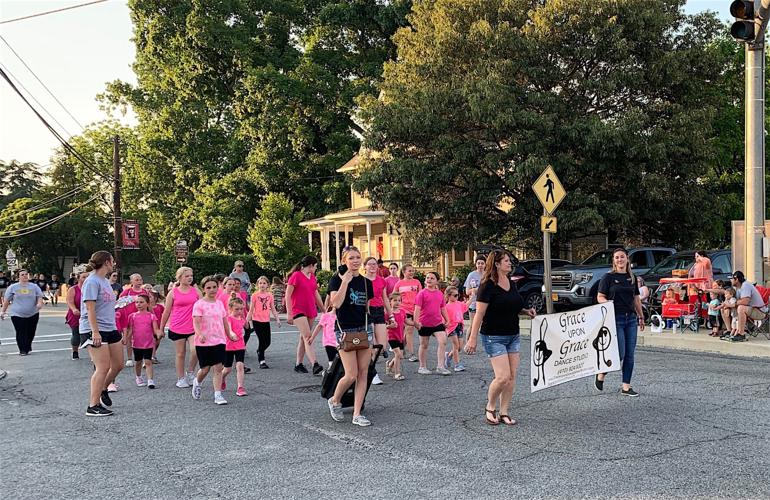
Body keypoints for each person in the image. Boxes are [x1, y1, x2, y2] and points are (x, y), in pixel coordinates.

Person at [465, 249, 535, 426]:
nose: (510, 263)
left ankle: (504, 411)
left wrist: (526, 311)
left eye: (509, 261)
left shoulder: (511, 282)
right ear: (496, 264)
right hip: (493, 336)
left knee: (511, 376)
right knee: (502, 376)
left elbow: (512, 304)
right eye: (506, 261)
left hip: (513, 335)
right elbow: (479, 314)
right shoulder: (487, 285)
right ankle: (490, 406)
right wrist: (472, 339)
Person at [326, 246, 375, 427]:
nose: (355, 261)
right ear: (344, 261)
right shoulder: (336, 280)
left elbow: (367, 308)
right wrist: (345, 282)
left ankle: (357, 413)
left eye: (357, 257)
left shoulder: (365, 283)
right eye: (351, 258)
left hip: (364, 329)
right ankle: (334, 400)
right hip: (344, 330)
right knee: (351, 374)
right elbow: (336, 303)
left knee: (364, 373)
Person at [595, 247, 644, 397]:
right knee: (620, 353)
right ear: (614, 260)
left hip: (630, 319)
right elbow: (600, 296)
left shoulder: (632, 278)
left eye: (622, 257)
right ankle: (601, 373)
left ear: (627, 258)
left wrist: (641, 316)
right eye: (617, 257)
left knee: (630, 354)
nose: (620, 260)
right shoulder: (608, 277)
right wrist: (606, 302)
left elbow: (636, 298)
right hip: (615, 318)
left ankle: (626, 387)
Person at [79, 252, 123, 417]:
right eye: (112, 260)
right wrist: (95, 332)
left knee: (118, 365)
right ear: (106, 262)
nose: (114, 263)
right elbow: (90, 308)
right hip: (94, 329)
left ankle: (103, 388)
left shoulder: (105, 281)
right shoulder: (91, 281)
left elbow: (106, 305)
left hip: (110, 327)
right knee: (102, 367)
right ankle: (93, 405)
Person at [192, 275, 237, 405]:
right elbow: (196, 322)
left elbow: (225, 321)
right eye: (209, 287)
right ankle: (197, 382)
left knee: (218, 368)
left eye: (214, 287)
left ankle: (218, 395)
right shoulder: (199, 304)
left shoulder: (219, 304)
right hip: (204, 341)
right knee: (205, 369)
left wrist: (229, 334)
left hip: (219, 340)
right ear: (204, 289)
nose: (212, 290)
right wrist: (199, 334)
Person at [160, 266, 201, 388]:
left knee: (196, 350)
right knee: (180, 353)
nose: (189, 278)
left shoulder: (196, 291)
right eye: (187, 276)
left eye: (191, 276)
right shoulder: (173, 292)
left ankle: (190, 372)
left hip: (193, 326)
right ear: (180, 278)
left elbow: (204, 305)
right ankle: (181, 378)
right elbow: (166, 312)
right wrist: (161, 328)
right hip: (177, 326)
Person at [286, 255, 325, 375]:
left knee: (303, 338)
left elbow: (315, 293)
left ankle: (299, 364)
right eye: (316, 266)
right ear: (311, 265)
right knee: (308, 336)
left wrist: (323, 309)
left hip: (310, 309)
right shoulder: (296, 276)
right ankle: (315, 364)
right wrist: (289, 313)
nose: (316, 268)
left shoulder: (312, 277)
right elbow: (288, 295)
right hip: (298, 309)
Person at [413, 271, 450, 375]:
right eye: (427, 278)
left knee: (443, 341)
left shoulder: (440, 294)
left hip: (437, 322)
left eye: (432, 278)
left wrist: (447, 319)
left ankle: (440, 366)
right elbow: (417, 309)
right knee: (424, 345)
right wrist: (416, 322)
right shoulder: (422, 293)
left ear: (437, 281)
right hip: (424, 323)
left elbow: (443, 308)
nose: (429, 279)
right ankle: (422, 367)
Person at [1, 269, 44, 355]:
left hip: (33, 313)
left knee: (31, 331)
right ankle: (22, 349)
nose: (24, 276)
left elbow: (39, 296)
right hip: (17, 314)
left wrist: (39, 304)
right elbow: (6, 300)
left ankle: (27, 346)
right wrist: (3, 311)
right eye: (22, 275)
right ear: (18, 277)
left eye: (26, 274)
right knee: (20, 331)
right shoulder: (13, 287)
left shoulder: (34, 286)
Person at [364, 257, 392, 385]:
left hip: (379, 311)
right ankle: (373, 373)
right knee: (372, 346)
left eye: (374, 264)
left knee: (381, 346)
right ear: (364, 267)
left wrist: (391, 315)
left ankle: (369, 369)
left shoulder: (381, 281)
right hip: (367, 312)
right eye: (369, 264)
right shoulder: (362, 280)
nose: (372, 266)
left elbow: (385, 298)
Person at [125, 293, 160, 389]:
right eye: (136, 302)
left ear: (147, 304)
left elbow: (155, 328)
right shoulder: (132, 316)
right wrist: (126, 339)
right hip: (136, 344)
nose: (138, 304)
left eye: (141, 302)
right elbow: (130, 329)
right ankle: (138, 376)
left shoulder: (151, 316)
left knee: (148, 361)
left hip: (148, 343)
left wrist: (159, 333)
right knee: (138, 362)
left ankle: (150, 380)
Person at [247, 276, 281, 369]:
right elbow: (251, 309)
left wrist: (277, 319)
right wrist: (247, 321)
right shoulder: (254, 295)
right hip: (256, 320)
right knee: (262, 341)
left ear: (267, 285)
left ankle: (259, 351)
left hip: (266, 321)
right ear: (257, 285)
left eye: (264, 283)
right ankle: (262, 360)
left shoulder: (270, 295)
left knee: (268, 342)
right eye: (260, 283)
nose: (262, 285)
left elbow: (273, 308)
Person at [726, 271, 768, 342]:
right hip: (752, 309)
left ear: (736, 279)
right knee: (725, 309)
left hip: (760, 312)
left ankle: (741, 334)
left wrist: (732, 304)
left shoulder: (745, 285)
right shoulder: (738, 288)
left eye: (732, 279)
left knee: (741, 308)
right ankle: (729, 331)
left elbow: (745, 301)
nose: (730, 280)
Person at [116, 273, 145, 369]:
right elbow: (119, 303)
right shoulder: (127, 292)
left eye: (140, 279)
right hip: (128, 317)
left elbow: (149, 304)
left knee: (142, 337)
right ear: (131, 281)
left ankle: (144, 357)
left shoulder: (144, 292)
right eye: (136, 280)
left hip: (142, 317)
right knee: (128, 337)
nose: (139, 282)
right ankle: (129, 358)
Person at [395, 265, 422, 362]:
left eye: (413, 271)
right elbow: (394, 296)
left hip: (415, 309)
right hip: (404, 309)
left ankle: (401, 348)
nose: (411, 272)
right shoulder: (399, 284)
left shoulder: (417, 282)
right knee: (409, 330)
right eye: (409, 271)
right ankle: (412, 354)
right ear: (404, 272)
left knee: (408, 332)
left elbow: (421, 295)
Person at [222, 296, 248, 397]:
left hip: (240, 345)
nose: (239, 311)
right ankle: (222, 378)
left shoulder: (242, 318)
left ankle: (240, 387)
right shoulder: (228, 318)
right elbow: (229, 328)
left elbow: (246, 327)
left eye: (241, 309)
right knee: (227, 369)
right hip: (229, 346)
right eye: (237, 309)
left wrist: (246, 319)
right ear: (230, 309)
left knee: (240, 366)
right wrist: (232, 334)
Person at [444, 285, 468, 372]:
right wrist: (445, 324)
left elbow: (465, 306)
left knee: (460, 347)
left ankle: (449, 356)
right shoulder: (446, 307)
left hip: (459, 326)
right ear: (448, 296)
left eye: (457, 295)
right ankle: (457, 364)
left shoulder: (459, 303)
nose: (457, 297)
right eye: (454, 295)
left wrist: (472, 298)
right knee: (456, 345)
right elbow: (443, 318)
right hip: (451, 327)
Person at [65, 271, 89, 360]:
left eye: (87, 277)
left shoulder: (91, 288)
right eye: (83, 277)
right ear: (78, 279)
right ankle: (75, 351)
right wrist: (74, 309)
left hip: (89, 314)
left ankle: (94, 353)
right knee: (76, 335)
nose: (86, 279)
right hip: (76, 314)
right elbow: (69, 301)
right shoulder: (73, 289)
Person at [385, 292, 407, 380]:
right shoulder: (388, 313)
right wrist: (390, 326)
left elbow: (406, 321)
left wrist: (415, 324)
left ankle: (389, 364)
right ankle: (397, 373)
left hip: (400, 336)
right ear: (390, 301)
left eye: (399, 300)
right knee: (398, 354)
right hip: (391, 337)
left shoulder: (402, 312)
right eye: (395, 300)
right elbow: (383, 326)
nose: (397, 302)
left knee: (400, 355)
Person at [464, 256, 486, 331]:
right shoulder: (471, 275)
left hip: (485, 303)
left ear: (485, 264)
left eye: (482, 263)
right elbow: (467, 292)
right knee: (473, 326)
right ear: (476, 264)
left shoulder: (488, 275)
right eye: (478, 263)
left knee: (485, 325)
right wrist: (478, 289)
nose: (480, 265)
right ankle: (468, 342)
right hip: (474, 304)